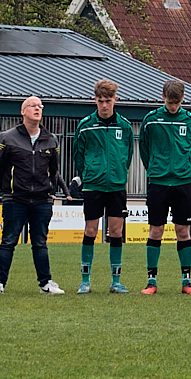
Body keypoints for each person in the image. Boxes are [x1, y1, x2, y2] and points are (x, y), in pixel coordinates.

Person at [0, 97, 65, 294]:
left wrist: (50, 190)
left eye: (40, 106)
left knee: (40, 243)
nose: (37, 109)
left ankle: (46, 283)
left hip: (42, 200)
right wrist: (8, 188)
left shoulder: (51, 139)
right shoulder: (6, 137)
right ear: (23, 111)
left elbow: (54, 170)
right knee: (8, 241)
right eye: (33, 106)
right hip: (15, 199)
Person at [138, 79, 191, 295]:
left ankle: (187, 281)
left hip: (183, 183)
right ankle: (151, 281)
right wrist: (156, 168)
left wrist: (181, 167)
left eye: (177, 103)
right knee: (156, 230)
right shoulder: (151, 120)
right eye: (170, 102)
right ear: (163, 97)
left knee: (182, 231)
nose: (173, 106)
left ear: (182, 99)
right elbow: (144, 150)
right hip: (158, 182)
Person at [71, 82, 138, 294]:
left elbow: (128, 154)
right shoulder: (86, 125)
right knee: (90, 230)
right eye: (101, 101)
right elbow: (78, 155)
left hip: (116, 186)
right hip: (93, 186)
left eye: (108, 101)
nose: (105, 105)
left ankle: (116, 281)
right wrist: (89, 174)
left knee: (116, 231)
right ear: (95, 100)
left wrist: (119, 172)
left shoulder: (124, 126)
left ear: (115, 100)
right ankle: (85, 281)